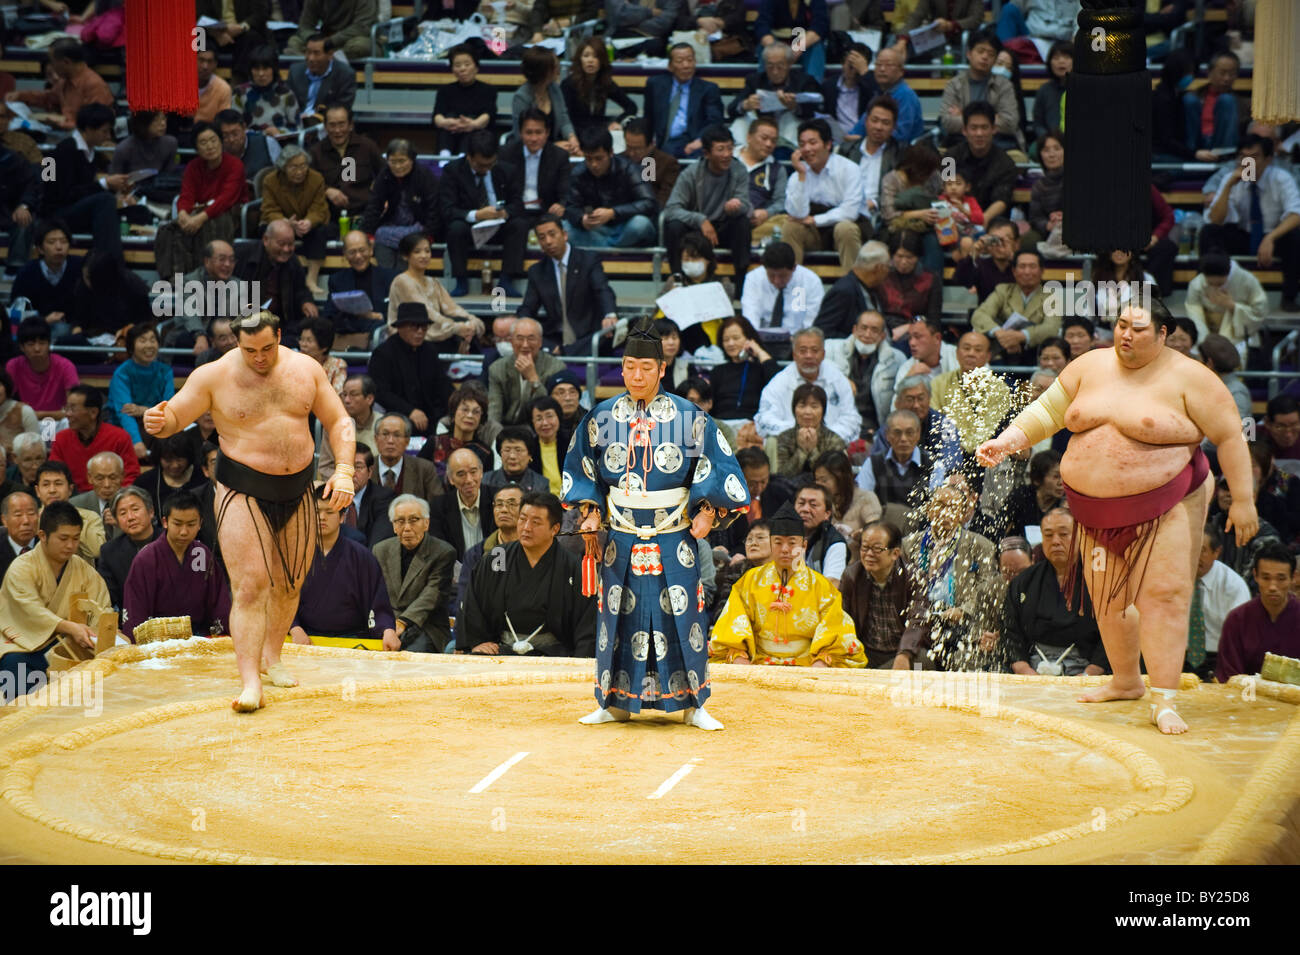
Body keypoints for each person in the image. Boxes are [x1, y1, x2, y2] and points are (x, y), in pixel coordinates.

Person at [977, 301, 1259, 734]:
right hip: (1093, 508)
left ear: (1163, 333)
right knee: (1109, 599)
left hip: (1167, 501)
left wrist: (1243, 500)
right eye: (1121, 325)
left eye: (1139, 328)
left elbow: (1229, 436)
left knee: (1164, 594)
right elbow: (1049, 412)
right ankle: (1127, 680)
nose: (1126, 334)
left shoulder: (1191, 378)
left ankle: (1164, 698)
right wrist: (1009, 439)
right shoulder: (1090, 365)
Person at [142, 309, 356, 712]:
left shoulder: (306, 369)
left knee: (290, 581)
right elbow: (176, 414)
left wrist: (343, 469)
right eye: (249, 349)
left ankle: (273, 657)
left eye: (267, 348)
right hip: (242, 488)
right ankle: (249, 681)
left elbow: (339, 420)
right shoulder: (215, 375)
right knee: (252, 585)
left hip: (297, 488)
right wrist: (161, 419)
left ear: (279, 336)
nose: (259, 357)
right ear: (236, 343)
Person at [564, 317, 750, 730]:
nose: (636, 375)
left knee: (682, 618)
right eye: (629, 366)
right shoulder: (602, 416)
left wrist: (709, 511)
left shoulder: (688, 418)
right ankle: (613, 702)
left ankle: (693, 704)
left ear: (662, 369)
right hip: (621, 538)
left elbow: (720, 467)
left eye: (645, 368)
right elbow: (583, 470)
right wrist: (590, 512)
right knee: (617, 618)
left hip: (673, 535)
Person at [710, 502, 864, 666]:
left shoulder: (821, 587)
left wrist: (820, 665)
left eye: (791, 543)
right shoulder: (749, 581)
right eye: (778, 542)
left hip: (807, 666)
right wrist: (741, 660)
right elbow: (732, 628)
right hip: (758, 664)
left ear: (803, 545)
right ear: (770, 544)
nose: (785, 549)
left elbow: (836, 633)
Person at [0, 501, 113, 701]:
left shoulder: (82, 568)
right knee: (14, 664)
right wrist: (69, 627)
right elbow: (29, 609)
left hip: (70, 643)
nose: (70, 545)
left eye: (75, 538)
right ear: (42, 536)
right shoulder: (22, 568)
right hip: (24, 645)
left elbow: (102, 606)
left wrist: (100, 632)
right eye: (63, 538)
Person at [460, 490, 596, 656]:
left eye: (536, 522)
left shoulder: (571, 566)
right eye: (522, 519)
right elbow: (474, 600)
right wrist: (478, 641)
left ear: (555, 529)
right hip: (501, 649)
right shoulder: (499, 557)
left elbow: (586, 623)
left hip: (552, 654)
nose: (526, 528)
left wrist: (579, 662)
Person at [895, 482, 1003, 671]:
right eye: (940, 505)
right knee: (917, 662)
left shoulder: (980, 546)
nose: (945, 512)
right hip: (918, 621)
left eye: (952, 507)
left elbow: (986, 589)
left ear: (962, 514)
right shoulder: (909, 544)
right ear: (928, 510)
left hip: (959, 622)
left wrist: (964, 610)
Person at [1000, 506, 1107, 677]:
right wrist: (1023, 669)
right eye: (1048, 535)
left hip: (1085, 667)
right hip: (1033, 667)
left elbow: (1114, 632)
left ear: (1080, 536)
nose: (1055, 541)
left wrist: (1091, 672)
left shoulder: (1101, 579)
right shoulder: (1024, 581)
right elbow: (1010, 631)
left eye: (1064, 534)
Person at [289, 484, 396, 647]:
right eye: (317, 512)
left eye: (329, 512)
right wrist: (294, 627)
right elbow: (281, 598)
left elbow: (377, 602)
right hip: (304, 637)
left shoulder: (361, 556)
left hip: (351, 639)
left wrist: (387, 630)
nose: (322, 517)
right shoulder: (295, 555)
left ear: (342, 517)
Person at [1202, 135, 1300, 312]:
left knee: (1295, 236)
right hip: (1244, 235)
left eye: (1254, 157)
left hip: (1274, 237)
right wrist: (1228, 186)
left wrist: (1270, 238)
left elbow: (1296, 214)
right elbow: (1215, 220)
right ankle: (1209, 290)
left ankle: (1289, 297)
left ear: (1268, 159)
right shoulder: (1232, 178)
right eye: (1242, 156)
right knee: (1210, 232)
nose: (1247, 162)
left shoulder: (1281, 178)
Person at [753, 119, 866, 268]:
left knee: (844, 228)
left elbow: (850, 212)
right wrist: (801, 175)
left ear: (828, 144)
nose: (807, 149)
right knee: (790, 227)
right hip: (816, 234)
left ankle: (853, 288)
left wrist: (815, 220)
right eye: (802, 144)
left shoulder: (849, 169)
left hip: (850, 228)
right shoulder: (797, 175)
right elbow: (797, 215)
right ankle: (794, 288)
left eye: (813, 143)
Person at [121, 490, 230, 641]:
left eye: (191, 524)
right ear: (165, 522)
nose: (184, 532)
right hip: (158, 642)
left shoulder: (202, 554)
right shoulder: (147, 559)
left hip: (200, 638)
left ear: (200, 523)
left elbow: (219, 603)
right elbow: (136, 611)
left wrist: (220, 636)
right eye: (177, 524)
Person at [436, 129, 528, 298]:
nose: (486, 169)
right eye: (480, 165)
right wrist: (477, 215)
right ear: (469, 157)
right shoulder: (453, 171)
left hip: (499, 226)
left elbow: (518, 205)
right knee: (455, 228)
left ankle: (506, 280)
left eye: (490, 164)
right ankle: (461, 281)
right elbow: (447, 210)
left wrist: (505, 213)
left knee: (520, 224)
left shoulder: (507, 170)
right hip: (470, 228)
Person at [34, 103, 126, 263]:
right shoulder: (65, 150)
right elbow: (62, 195)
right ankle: (109, 264)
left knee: (125, 207)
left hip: (74, 209)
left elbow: (85, 191)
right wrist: (103, 184)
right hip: (57, 213)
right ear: (89, 129)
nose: (108, 137)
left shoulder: (89, 152)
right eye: (104, 131)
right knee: (105, 200)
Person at [156, 122, 248, 277]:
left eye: (213, 140)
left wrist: (199, 219)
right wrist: (183, 214)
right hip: (199, 211)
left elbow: (225, 199)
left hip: (229, 212)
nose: (210, 146)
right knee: (168, 230)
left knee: (209, 225)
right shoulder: (193, 167)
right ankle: (175, 280)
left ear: (221, 142)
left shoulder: (235, 165)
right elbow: (186, 195)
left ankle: (205, 278)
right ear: (197, 148)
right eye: (203, 143)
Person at [663, 123, 753, 278]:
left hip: (724, 227)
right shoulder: (691, 173)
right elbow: (671, 209)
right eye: (720, 149)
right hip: (698, 229)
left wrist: (736, 207)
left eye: (730, 148)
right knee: (674, 226)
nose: (726, 155)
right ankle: (677, 279)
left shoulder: (739, 170)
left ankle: (741, 284)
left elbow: (745, 205)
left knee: (742, 223)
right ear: (706, 153)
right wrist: (700, 220)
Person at [517, 215, 619, 351]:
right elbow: (528, 307)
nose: (548, 241)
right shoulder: (537, 271)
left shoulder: (588, 260)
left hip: (586, 334)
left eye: (552, 234)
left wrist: (609, 315)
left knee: (601, 339)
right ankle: (561, 352)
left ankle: (565, 352)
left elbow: (603, 290)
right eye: (542, 238)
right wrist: (520, 322)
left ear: (564, 235)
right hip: (556, 336)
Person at [373, 493, 457, 652]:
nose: (407, 528)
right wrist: (387, 626)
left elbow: (431, 595)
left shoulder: (443, 552)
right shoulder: (380, 550)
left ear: (426, 523)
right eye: (400, 521)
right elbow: (376, 593)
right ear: (393, 526)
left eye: (413, 520)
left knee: (409, 655)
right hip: (388, 625)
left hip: (427, 627)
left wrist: (402, 622)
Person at [754, 327, 861, 444]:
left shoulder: (837, 379)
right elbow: (764, 419)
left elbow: (851, 419)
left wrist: (823, 436)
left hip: (830, 444)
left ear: (823, 354)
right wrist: (797, 433)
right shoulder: (780, 381)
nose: (809, 355)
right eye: (803, 350)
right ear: (794, 355)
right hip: (789, 443)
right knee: (771, 442)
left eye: (814, 350)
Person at [1215, 543, 1300, 681]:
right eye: (1266, 578)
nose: (1272, 587)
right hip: (1246, 697)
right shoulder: (1237, 619)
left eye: (1281, 579)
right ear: (1255, 576)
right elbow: (1230, 675)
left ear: (1293, 578)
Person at [564, 126, 658, 249]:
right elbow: (571, 207)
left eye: (599, 158)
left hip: (624, 225)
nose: (594, 165)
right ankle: (614, 249)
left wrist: (613, 213)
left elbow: (649, 202)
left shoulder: (629, 169)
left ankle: (603, 249)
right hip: (597, 229)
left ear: (611, 152)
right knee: (565, 228)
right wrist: (582, 219)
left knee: (640, 225)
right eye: (588, 159)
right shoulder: (578, 172)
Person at [369, 306, 453, 437]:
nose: (420, 332)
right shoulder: (383, 354)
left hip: (431, 414)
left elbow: (442, 383)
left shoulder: (429, 350)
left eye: (424, 328)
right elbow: (381, 392)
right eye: (415, 328)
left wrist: (456, 402)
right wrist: (411, 411)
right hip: (398, 414)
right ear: (400, 327)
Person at [840, 519, 914, 667]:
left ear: (895, 553)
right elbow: (841, 616)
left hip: (904, 652)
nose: (868, 554)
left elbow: (919, 620)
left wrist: (905, 653)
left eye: (877, 549)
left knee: (923, 665)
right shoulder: (852, 576)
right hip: (867, 652)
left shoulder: (912, 576)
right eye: (865, 547)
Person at [385, 233, 482, 344]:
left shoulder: (433, 281)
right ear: (406, 256)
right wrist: (455, 327)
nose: (424, 256)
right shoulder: (402, 281)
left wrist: (472, 321)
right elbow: (426, 312)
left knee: (466, 327)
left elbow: (452, 308)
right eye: (417, 252)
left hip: (434, 327)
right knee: (456, 332)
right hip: (411, 333)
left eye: (427, 251)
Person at [361, 139, 439, 271]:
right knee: (380, 235)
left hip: (419, 226)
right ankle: (386, 279)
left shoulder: (424, 176)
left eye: (402, 161)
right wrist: (368, 234)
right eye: (393, 161)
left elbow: (434, 209)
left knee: (410, 241)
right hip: (392, 225)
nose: (397, 166)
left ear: (412, 159)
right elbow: (375, 205)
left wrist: (429, 235)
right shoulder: (385, 175)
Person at [1186, 522, 1252, 681]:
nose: (1194, 556)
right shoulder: (1171, 578)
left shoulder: (1233, 586)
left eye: (1201, 551)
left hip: (1219, 659)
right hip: (1176, 656)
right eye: (1190, 548)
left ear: (1217, 552)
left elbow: (1240, 638)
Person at [260, 144, 329, 293]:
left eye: (303, 166)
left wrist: (309, 221)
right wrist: (285, 223)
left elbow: (319, 208)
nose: (299, 171)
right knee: (267, 232)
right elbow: (268, 209)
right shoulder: (270, 181)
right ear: (283, 167)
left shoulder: (316, 179)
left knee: (319, 232)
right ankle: (270, 275)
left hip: (307, 223)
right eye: (293, 167)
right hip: (281, 221)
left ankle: (311, 278)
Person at [3, 37, 113, 131]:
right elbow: (48, 98)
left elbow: (96, 125)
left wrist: (64, 124)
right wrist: (20, 95)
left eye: (53, 61)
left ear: (66, 62)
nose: (52, 65)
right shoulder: (64, 81)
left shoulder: (95, 85)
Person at [939, 30, 1023, 151]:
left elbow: (1010, 123)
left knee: (1017, 159)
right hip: (960, 144)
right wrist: (993, 119)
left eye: (991, 54)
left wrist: (963, 116)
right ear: (969, 54)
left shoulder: (1004, 85)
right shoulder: (954, 84)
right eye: (980, 51)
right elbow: (947, 122)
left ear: (995, 59)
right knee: (945, 161)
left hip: (997, 145)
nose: (985, 57)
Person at [233, 220, 321, 335]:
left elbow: (301, 289)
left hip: (281, 323)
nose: (286, 249)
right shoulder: (242, 255)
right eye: (281, 244)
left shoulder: (292, 261)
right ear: (266, 240)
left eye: (290, 244)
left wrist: (306, 302)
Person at [825, 308, 901, 440]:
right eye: (863, 328)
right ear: (854, 330)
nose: (867, 334)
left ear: (882, 336)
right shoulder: (832, 348)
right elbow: (816, 366)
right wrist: (840, 380)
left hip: (875, 430)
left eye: (874, 330)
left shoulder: (897, 359)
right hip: (837, 425)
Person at [727, 42, 821, 148]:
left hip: (790, 129)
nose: (775, 72)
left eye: (780, 66)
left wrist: (795, 107)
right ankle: (739, 155)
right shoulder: (754, 80)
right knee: (741, 121)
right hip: (763, 127)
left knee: (792, 119)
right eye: (770, 66)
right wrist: (745, 105)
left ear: (789, 64)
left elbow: (813, 112)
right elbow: (731, 109)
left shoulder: (804, 81)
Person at [970, 249, 1057, 360]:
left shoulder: (1051, 297)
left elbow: (1051, 328)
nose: (1027, 271)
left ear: (1042, 271)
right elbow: (980, 315)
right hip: (1001, 350)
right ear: (1014, 271)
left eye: (1032, 266)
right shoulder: (1003, 290)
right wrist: (1000, 333)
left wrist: (1021, 336)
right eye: (1022, 266)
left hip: (1033, 354)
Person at [50, 385, 139, 493]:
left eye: (73, 409)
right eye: (67, 408)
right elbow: (54, 474)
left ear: (93, 412)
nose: (67, 414)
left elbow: (130, 476)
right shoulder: (61, 439)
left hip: (112, 497)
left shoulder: (120, 437)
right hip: (73, 500)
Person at [502, 107, 573, 240]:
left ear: (547, 133)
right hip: (515, 213)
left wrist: (562, 204)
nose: (534, 138)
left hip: (546, 212)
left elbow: (566, 190)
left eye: (538, 132)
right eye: (528, 132)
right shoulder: (506, 154)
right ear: (520, 133)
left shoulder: (559, 156)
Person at [642, 44, 725, 159]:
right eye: (680, 61)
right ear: (670, 66)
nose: (686, 65)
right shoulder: (655, 85)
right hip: (662, 143)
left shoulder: (708, 89)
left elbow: (715, 121)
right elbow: (648, 117)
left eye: (690, 60)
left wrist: (700, 140)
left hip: (694, 144)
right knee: (648, 168)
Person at [1185, 252, 1268, 363]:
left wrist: (1232, 306)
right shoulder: (1196, 284)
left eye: (1219, 284)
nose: (1215, 287)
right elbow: (1194, 313)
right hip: (1207, 332)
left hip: (1238, 336)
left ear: (1228, 274)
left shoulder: (1248, 281)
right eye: (1210, 283)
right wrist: (1205, 340)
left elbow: (1259, 312)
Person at [311, 104, 383, 225]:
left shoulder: (367, 146)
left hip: (364, 213)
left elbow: (386, 173)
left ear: (350, 125)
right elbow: (308, 183)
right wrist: (326, 190)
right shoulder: (316, 152)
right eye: (332, 125)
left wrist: (379, 192)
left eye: (341, 124)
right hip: (329, 216)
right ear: (325, 127)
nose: (337, 130)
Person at [487, 317, 565, 426]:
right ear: (511, 341)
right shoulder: (498, 368)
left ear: (540, 342)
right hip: (505, 430)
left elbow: (549, 410)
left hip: (540, 430)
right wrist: (497, 439)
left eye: (531, 338)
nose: (525, 345)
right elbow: (494, 414)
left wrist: (533, 378)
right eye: (519, 338)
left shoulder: (556, 367)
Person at [11, 220, 81, 341]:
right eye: (51, 242)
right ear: (40, 249)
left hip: (74, 330)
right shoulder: (27, 272)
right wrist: (44, 321)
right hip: (35, 332)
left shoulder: (80, 267)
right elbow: (17, 313)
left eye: (64, 241)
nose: (59, 247)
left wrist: (77, 326)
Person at [322, 231, 396, 344]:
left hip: (379, 331)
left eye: (362, 250)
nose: (358, 256)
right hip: (348, 330)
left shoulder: (389, 277)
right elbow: (329, 315)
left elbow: (397, 313)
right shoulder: (337, 280)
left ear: (371, 249)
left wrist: (377, 316)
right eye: (352, 252)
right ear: (345, 254)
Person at [562, 37, 638, 142]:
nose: (590, 60)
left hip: (598, 131)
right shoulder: (568, 84)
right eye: (586, 56)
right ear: (579, 59)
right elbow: (566, 120)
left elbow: (631, 106)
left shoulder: (605, 82)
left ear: (602, 60)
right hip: (576, 133)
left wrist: (617, 122)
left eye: (595, 56)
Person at [709, 316, 780, 429]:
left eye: (736, 338)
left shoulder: (760, 368)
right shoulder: (718, 371)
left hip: (753, 427)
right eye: (726, 339)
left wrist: (759, 351)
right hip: (721, 426)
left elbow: (778, 382)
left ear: (749, 339)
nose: (731, 343)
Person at [858, 408, 934, 507]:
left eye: (909, 432)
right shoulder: (873, 463)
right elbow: (861, 501)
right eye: (897, 433)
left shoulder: (933, 464)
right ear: (887, 435)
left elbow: (936, 505)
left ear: (918, 434)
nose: (903, 439)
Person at [96, 485, 158, 607]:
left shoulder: (170, 542)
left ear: (151, 512)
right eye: (123, 513)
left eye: (135, 509)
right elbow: (107, 597)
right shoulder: (109, 552)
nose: (130, 517)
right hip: (130, 619)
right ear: (117, 521)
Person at [813, 241, 888, 340]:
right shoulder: (844, 291)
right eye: (888, 267)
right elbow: (822, 331)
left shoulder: (873, 288)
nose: (888, 272)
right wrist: (858, 341)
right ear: (879, 268)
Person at [767, 383, 845, 478]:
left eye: (814, 406)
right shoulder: (784, 437)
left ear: (823, 411)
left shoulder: (834, 439)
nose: (807, 412)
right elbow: (782, 475)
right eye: (802, 406)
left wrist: (813, 451)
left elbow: (831, 477)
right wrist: (802, 451)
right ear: (794, 409)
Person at [509, 47, 578, 154]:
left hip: (556, 150)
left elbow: (564, 118)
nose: (558, 68)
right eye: (554, 66)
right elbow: (521, 136)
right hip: (531, 152)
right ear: (543, 71)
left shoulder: (554, 88)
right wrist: (553, 147)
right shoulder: (521, 97)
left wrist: (572, 138)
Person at [433, 44, 496, 156]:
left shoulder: (488, 90)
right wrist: (447, 122)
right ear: (452, 69)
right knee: (448, 120)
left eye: (467, 64)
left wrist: (472, 124)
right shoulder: (445, 90)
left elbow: (488, 115)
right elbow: (437, 115)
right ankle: (444, 158)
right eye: (457, 65)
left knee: (472, 126)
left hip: (475, 133)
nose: (463, 69)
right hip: (450, 132)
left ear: (476, 67)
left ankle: (464, 158)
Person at [420, 385, 494, 480]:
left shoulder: (485, 453)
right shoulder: (434, 442)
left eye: (476, 412)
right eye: (465, 409)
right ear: (453, 413)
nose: (470, 415)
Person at [369, 411, 444, 503]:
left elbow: (438, 507)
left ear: (407, 441)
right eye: (385, 434)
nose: (390, 441)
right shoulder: (365, 468)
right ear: (376, 439)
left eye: (397, 435)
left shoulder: (424, 469)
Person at [287, 34, 357, 125]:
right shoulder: (295, 71)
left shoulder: (345, 74)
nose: (311, 58)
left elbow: (343, 108)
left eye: (316, 53)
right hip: (297, 123)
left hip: (328, 124)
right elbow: (288, 102)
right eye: (308, 52)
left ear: (330, 54)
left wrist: (313, 117)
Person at [232, 46, 300, 135]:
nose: (261, 74)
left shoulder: (286, 94)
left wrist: (279, 132)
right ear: (250, 70)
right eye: (256, 69)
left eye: (265, 68)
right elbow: (233, 128)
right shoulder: (240, 93)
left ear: (274, 69)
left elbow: (298, 129)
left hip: (281, 143)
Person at [755, 0, 828, 81]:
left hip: (805, 43)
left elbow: (820, 26)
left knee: (816, 47)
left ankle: (812, 89)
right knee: (766, 50)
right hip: (776, 42)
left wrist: (798, 48)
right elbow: (762, 25)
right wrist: (776, 50)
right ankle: (764, 89)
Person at [792, 479, 847, 586]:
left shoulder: (834, 542)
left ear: (827, 514)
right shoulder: (782, 535)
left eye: (813, 505)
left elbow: (831, 585)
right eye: (801, 503)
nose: (805, 509)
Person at [1186, 51, 1241, 155]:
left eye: (1232, 74)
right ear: (1209, 72)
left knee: (1227, 100)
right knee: (1189, 100)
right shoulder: (1193, 97)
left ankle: (1224, 156)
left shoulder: (1242, 102)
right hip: (1197, 145)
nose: (1227, 78)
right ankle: (1190, 154)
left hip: (1223, 146)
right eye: (1222, 73)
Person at [620, 117, 681, 209]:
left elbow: (664, 200)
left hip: (649, 214)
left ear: (651, 145)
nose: (632, 153)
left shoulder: (667, 163)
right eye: (628, 147)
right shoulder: (619, 160)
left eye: (637, 149)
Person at [823, 43, 878, 142]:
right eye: (850, 64)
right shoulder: (829, 86)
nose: (852, 70)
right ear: (843, 63)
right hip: (836, 139)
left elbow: (879, 98)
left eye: (856, 66)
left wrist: (864, 73)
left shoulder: (870, 86)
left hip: (863, 139)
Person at [288, 0, 375, 63]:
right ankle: (317, 58)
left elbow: (362, 27)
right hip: (323, 40)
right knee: (294, 41)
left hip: (351, 39)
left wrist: (330, 41)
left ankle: (318, 59)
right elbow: (304, 26)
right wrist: (313, 39)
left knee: (360, 45)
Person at [111, 110, 179, 178]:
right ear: (142, 122)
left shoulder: (170, 143)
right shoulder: (123, 149)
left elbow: (170, 175)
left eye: (164, 118)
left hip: (161, 186)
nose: (163, 123)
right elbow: (115, 181)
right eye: (156, 120)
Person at [484, 426, 549, 494]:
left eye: (518, 450)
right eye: (507, 450)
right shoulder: (486, 481)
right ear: (500, 453)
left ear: (529, 454)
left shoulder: (541, 484)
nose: (512, 456)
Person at [216, 108, 277, 180]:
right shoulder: (215, 153)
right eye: (225, 136)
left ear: (244, 128)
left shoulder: (267, 142)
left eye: (235, 134)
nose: (231, 140)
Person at [194, 46, 233, 123]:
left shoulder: (223, 88)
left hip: (210, 131)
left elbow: (223, 121)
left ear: (215, 64)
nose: (205, 66)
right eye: (201, 60)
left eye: (210, 61)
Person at [1261, 395, 1300, 465]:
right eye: (1280, 427)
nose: (1288, 435)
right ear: (1267, 423)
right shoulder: (1253, 438)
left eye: (1294, 425)